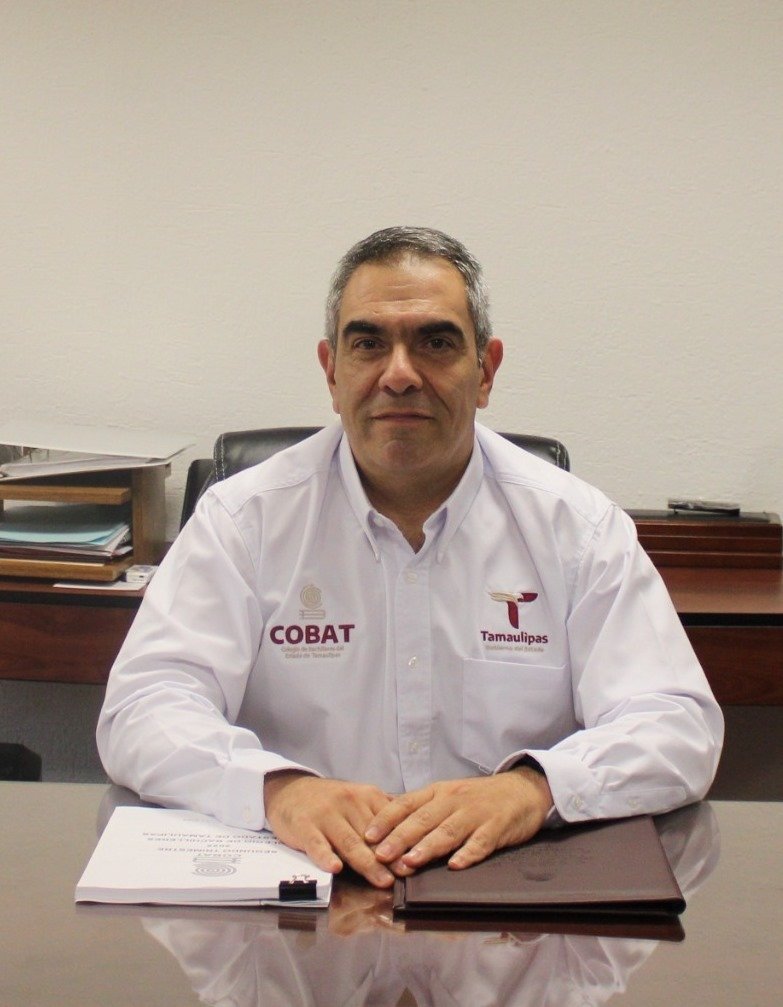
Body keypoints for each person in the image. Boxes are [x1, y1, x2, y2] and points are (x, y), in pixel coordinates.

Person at [97, 226, 723, 890]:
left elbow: (676, 725)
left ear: (485, 371)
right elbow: (144, 708)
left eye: (436, 342)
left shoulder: (579, 528)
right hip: (302, 892)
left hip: (505, 900)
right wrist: (275, 789)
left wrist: (535, 789)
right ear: (331, 371)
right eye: (368, 343)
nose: (399, 374)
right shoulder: (241, 521)